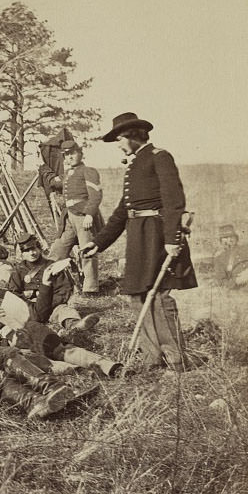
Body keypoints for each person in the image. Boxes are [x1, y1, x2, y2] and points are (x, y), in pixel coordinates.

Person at [82, 113, 198, 370]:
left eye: (120, 138)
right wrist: (99, 243)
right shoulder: (134, 165)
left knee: (158, 295)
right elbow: (123, 210)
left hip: (157, 235)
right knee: (137, 295)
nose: (119, 145)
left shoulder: (160, 157)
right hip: (138, 236)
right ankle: (152, 357)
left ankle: (176, 360)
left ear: (134, 135)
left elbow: (174, 200)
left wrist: (172, 239)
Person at [0, 265, 122, 377]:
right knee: (33, 358)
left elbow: (36, 315)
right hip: (10, 359)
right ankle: (81, 373)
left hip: (30, 343)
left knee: (47, 338)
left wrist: (45, 285)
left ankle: (108, 366)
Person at [9, 233, 99, 335]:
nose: (32, 253)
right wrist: (30, 306)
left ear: (39, 248)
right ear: (22, 253)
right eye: (27, 251)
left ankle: (75, 325)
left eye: (34, 249)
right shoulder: (18, 271)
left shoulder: (53, 266)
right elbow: (14, 294)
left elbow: (64, 291)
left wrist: (48, 305)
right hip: (31, 308)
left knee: (64, 310)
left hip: (52, 306)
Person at [47, 140, 103, 294]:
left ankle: (91, 289)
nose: (69, 157)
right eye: (66, 155)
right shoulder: (68, 174)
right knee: (58, 249)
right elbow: (56, 183)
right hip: (69, 217)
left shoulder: (88, 171)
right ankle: (48, 282)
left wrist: (90, 214)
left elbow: (96, 195)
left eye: (72, 153)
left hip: (83, 216)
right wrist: (44, 166)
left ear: (80, 153)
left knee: (87, 251)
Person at [212, 224, 248, 288]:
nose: (229, 239)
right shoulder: (219, 259)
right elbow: (221, 281)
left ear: (236, 238)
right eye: (225, 237)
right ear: (221, 241)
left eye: (231, 237)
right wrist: (236, 281)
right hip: (244, 287)